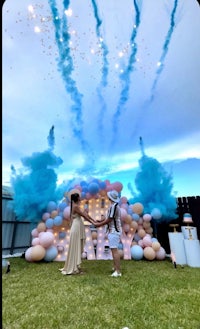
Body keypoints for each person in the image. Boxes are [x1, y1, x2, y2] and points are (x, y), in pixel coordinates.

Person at [59, 189, 96, 275]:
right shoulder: (75, 207)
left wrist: (94, 220)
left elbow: (85, 214)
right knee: (76, 246)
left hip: (78, 225)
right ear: (77, 199)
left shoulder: (75, 206)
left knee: (77, 245)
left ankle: (76, 266)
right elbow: (84, 215)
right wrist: (93, 223)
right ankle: (74, 268)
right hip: (76, 226)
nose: (80, 198)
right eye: (79, 197)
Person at [94, 190, 122, 277]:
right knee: (114, 250)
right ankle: (115, 267)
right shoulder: (114, 206)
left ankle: (118, 271)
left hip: (114, 231)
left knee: (114, 251)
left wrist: (99, 224)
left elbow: (110, 219)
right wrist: (101, 221)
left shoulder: (114, 206)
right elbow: (108, 218)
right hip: (112, 231)